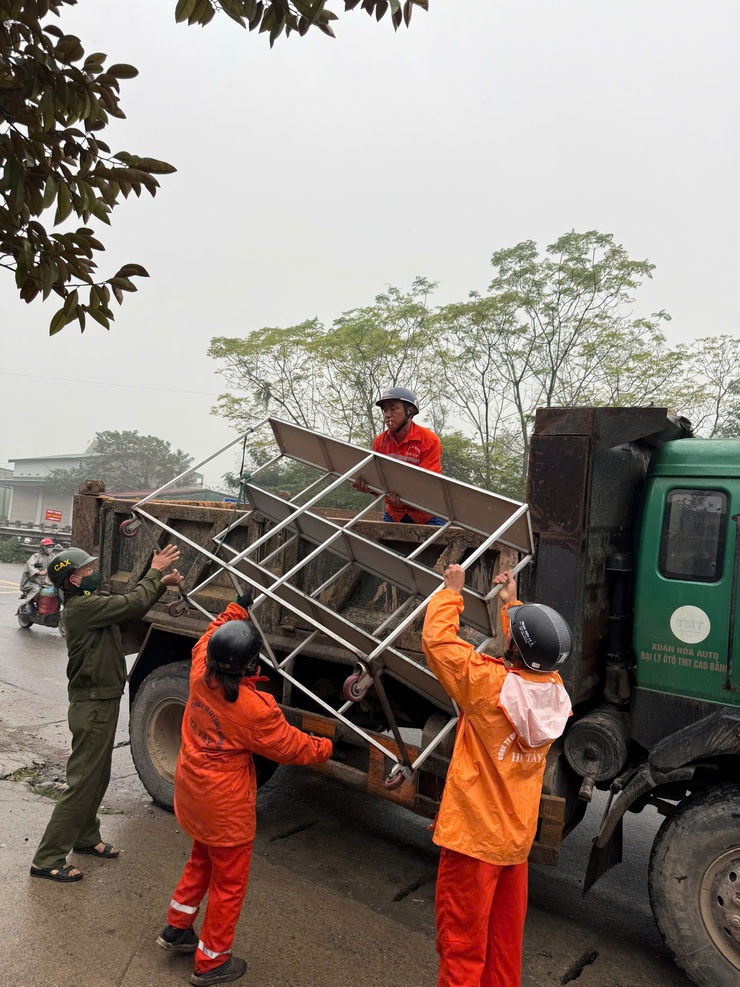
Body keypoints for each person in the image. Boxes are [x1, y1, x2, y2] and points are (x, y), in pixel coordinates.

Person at [157, 596, 333, 987]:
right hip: (226, 809)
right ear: (252, 664)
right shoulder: (253, 710)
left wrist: (235, 610)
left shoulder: (201, 672)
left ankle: (177, 926)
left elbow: (206, 636)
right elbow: (291, 747)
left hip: (194, 792)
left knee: (201, 859)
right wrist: (326, 747)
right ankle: (211, 962)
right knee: (229, 885)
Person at [422, 565, 573, 987]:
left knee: (462, 949)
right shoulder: (555, 692)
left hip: (473, 843)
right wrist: (512, 604)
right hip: (514, 844)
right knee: (504, 948)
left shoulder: (489, 687)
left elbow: (437, 642)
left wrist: (452, 593)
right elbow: (534, 657)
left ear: (512, 646)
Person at [30, 543, 182, 883]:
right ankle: (47, 857)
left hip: (103, 697)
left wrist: (159, 582)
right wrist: (156, 570)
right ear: (72, 580)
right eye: (86, 571)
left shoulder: (91, 604)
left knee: (97, 775)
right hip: (92, 703)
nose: (92, 574)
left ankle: (85, 838)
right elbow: (132, 603)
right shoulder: (82, 608)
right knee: (83, 779)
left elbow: (128, 606)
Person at [354, 387, 444, 525]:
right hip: (394, 513)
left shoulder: (428, 441)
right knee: (380, 544)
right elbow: (378, 481)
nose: (387, 415)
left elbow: (428, 484)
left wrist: (405, 498)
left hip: (426, 514)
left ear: (410, 411)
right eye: (385, 410)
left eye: (393, 409)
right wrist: (368, 487)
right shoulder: (380, 442)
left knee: (441, 543)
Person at [19, 537, 56, 605]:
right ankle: (24, 606)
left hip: (47, 583)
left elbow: (58, 565)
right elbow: (30, 565)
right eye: (47, 546)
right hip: (32, 582)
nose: (49, 548)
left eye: (51, 546)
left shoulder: (53, 556)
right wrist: (38, 572)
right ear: (42, 547)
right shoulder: (36, 556)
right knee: (36, 589)